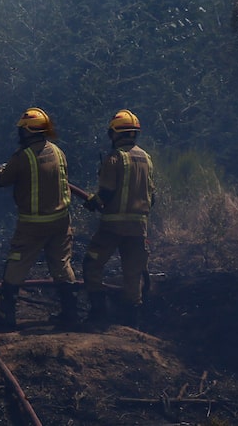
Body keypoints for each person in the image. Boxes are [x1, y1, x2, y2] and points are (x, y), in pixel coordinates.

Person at [0, 107, 78, 330]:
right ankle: (70, 314)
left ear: (28, 131)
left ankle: (6, 315)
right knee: (62, 264)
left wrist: (0, 171)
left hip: (33, 225)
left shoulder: (23, 157)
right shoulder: (57, 152)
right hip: (61, 221)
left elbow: (2, 180)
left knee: (16, 264)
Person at [82, 109, 156, 328]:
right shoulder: (146, 159)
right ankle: (131, 323)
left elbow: (106, 192)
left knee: (92, 264)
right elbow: (152, 196)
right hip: (139, 228)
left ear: (114, 133)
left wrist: (93, 201)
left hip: (112, 227)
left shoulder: (115, 158)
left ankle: (98, 315)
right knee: (133, 274)